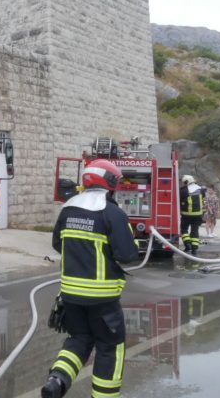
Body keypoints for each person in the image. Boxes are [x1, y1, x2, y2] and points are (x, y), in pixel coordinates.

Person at [41, 159, 138, 398]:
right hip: (103, 299)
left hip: (71, 296)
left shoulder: (68, 209)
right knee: (109, 347)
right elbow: (127, 255)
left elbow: (57, 243)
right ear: (111, 183)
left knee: (79, 339)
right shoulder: (112, 212)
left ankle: (57, 380)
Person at [179, 175, 206, 255]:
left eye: (184, 182)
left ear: (186, 182)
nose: (183, 184)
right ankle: (194, 249)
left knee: (184, 229)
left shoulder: (183, 191)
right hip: (198, 215)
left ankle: (187, 245)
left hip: (186, 215)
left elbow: (178, 201)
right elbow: (203, 200)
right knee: (195, 231)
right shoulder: (201, 189)